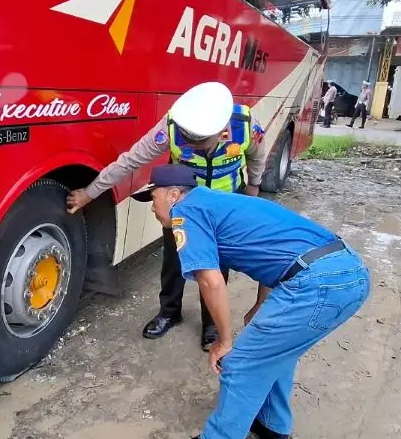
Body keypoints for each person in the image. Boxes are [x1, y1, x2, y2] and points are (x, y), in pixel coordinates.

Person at [130, 165, 370, 439]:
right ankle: (273, 427)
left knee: (241, 363)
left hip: (317, 283)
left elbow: (210, 281)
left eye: (153, 199)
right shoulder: (224, 202)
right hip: (346, 272)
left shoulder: (185, 212)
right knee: (274, 353)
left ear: (173, 195)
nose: (153, 208)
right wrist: (261, 303)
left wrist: (224, 341)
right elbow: (278, 251)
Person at [66, 82, 267, 350]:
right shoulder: (172, 126)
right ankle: (169, 312)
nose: (193, 147)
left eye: (201, 143)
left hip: (224, 205)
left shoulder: (245, 124)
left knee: (217, 265)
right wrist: (90, 192)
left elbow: (257, 157)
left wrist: (253, 187)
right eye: (189, 142)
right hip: (182, 205)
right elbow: (130, 160)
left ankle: (211, 322)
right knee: (174, 260)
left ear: (221, 129)